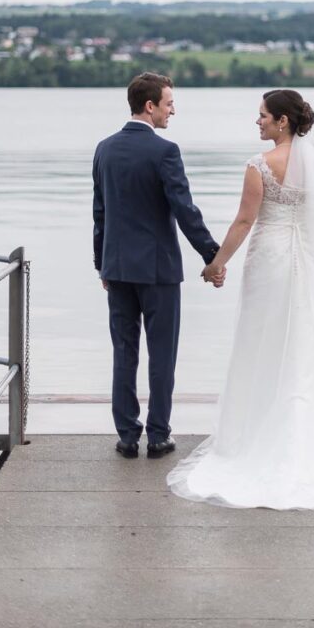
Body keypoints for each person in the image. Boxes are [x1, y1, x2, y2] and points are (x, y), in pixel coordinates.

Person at [166, 89, 314, 509]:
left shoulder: (259, 165)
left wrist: (216, 264)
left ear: (282, 121)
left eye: (262, 116)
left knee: (261, 342)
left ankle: (255, 435)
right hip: (304, 263)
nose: (257, 122)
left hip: (269, 260)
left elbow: (244, 221)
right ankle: (305, 433)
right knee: (302, 345)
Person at [93, 72, 224, 460]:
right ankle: (158, 435)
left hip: (117, 268)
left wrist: (102, 264)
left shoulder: (104, 149)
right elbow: (185, 210)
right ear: (149, 106)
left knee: (124, 352)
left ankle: (127, 436)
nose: (173, 111)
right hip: (158, 271)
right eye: (169, 103)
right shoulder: (165, 151)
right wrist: (212, 255)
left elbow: (100, 213)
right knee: (162, 354)